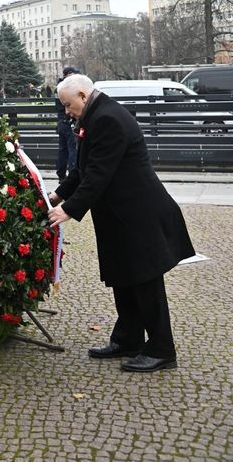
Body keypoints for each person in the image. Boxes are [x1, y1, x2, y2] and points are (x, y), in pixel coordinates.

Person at [48, 74, 194, 372]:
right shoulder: (97, 116)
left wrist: (69, 210)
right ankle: (128, 339)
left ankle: (161, 349)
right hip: (121, 217)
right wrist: (56, 196)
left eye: (67, 104)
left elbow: (99, 174)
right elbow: (81, 169)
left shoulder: (108, 119)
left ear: (83, 96)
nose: (66, 111)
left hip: (139, 216)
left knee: (145, 282)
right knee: (124, 278)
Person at [55, 65, 79, 181]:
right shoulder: (66, 88)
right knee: (72, 149)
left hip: (61, 122)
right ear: (68, 75)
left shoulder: (59, 87)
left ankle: (61, 175)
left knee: (63, 150)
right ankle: (72, 176)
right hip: (68, 122)